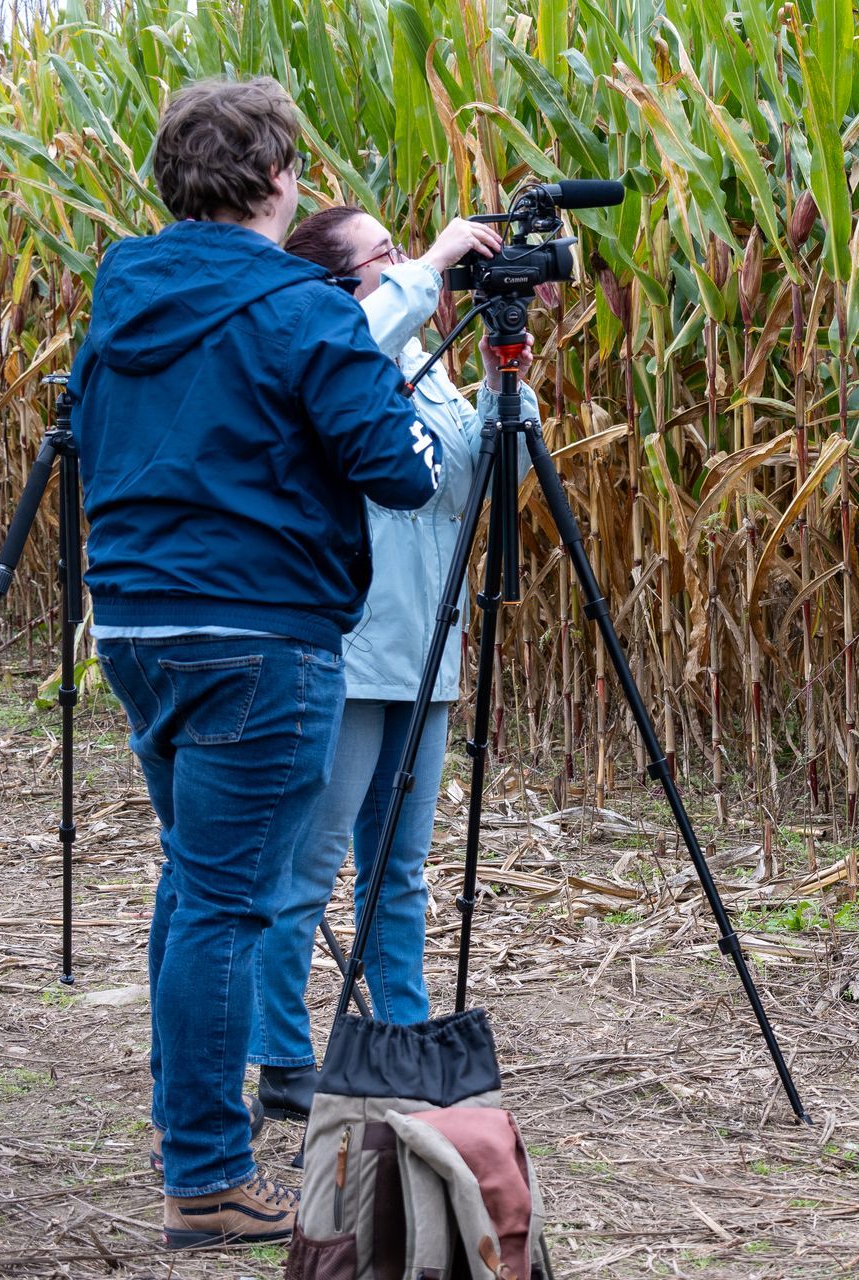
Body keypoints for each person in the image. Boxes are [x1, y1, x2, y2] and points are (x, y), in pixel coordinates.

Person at [70, 79, 439, 1248]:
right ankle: (209, 1173)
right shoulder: (302, 309)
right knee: (225, 901)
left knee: (194, 886)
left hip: (133, 622)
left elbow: (87, 433)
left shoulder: (122, 291)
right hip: (260, 635)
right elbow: (399, 469)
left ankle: (195, 1140)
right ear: (281, 180)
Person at [246, 206, 540, 1121]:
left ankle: (404, 1042)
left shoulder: (423, 363)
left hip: (424, 650)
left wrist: (507, 383)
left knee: (399, 873)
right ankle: (282, 1055)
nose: (412, 265)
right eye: (389, 256)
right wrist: (436, 268)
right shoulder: (332, 344)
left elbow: (468, 483)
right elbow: (351, 349)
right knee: (305, 867)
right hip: (343, 645)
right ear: (340, 282)